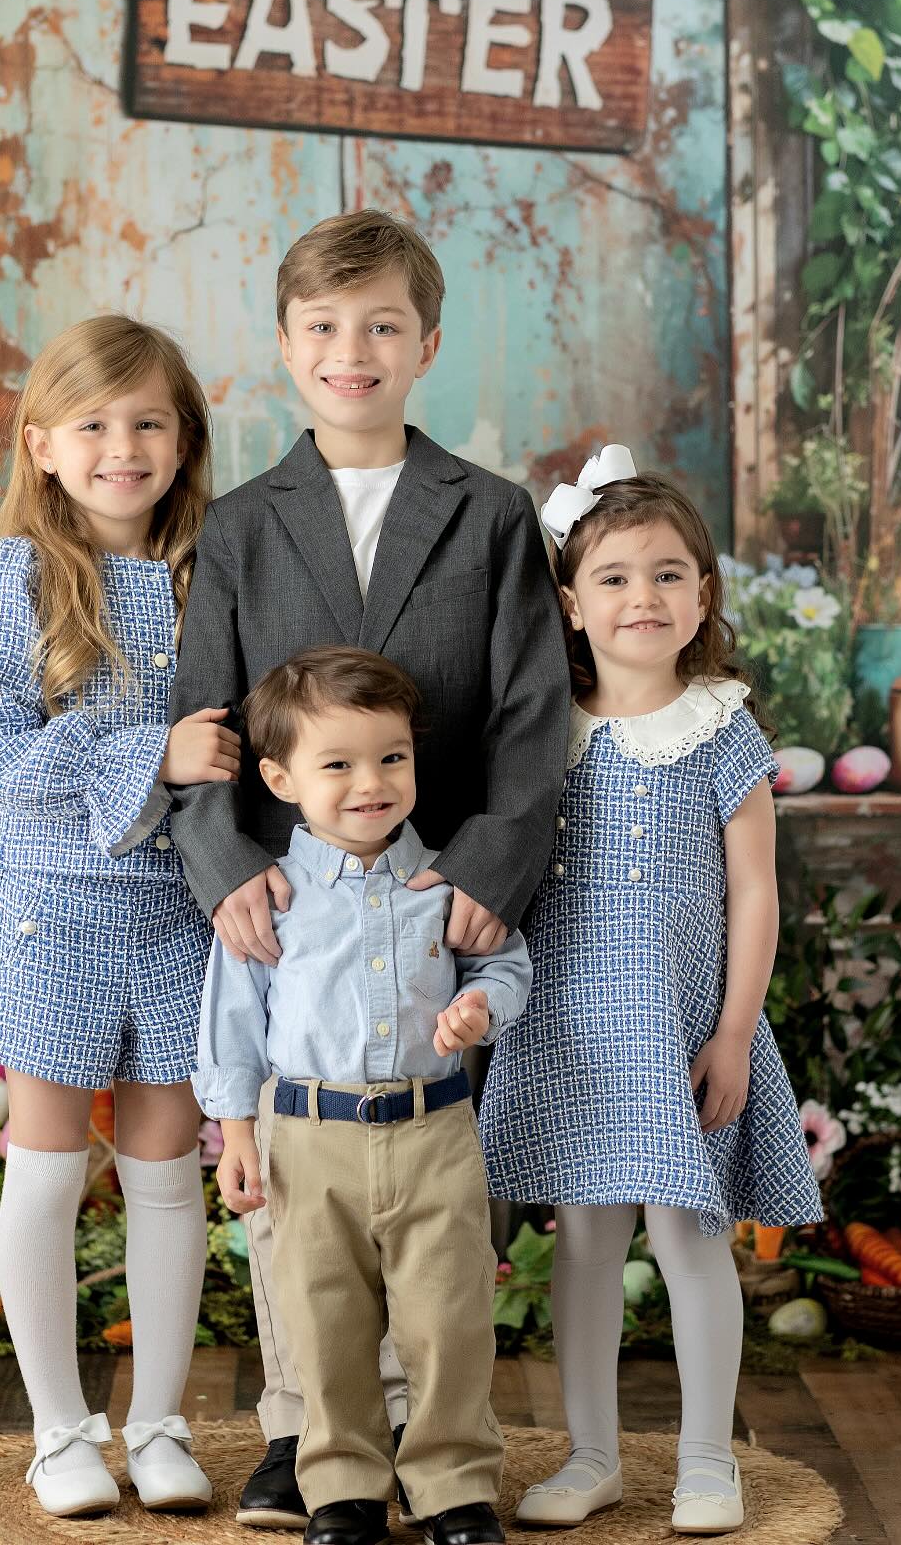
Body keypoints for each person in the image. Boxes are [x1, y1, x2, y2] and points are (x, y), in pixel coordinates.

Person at [168, 207, 569, 1528]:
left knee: (432, 1200)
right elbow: (208, 716)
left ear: (427, 343)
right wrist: (228, 862)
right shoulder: (238, 528)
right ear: (287, 347)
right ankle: (302, 1433)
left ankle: (430, 1442)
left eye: (383, 326)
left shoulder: (492, 515)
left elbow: (527, 715)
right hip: (293, 900)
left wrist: (489, 877)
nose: (355, 350)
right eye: (327, 327)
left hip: (439, 900)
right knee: (301, 1205)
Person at [478, 449, 823, 1538]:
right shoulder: (542, 736)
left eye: (670, 574)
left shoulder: (722, 727)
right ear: (571, 604)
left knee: (686, 1234)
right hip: (567, 1026)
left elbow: (755, 892)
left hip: (682, 1028)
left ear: (703, 596)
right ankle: (590, 1456)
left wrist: (731, 1031)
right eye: (616, 577)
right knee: (582, 1241)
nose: (645, 597)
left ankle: (708, 1461)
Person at [0, 316, 239, 1519]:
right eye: (94, 425)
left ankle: (161, 1423)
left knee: (168, 1175)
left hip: (180, 915)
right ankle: (61, 1433)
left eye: (147, 423)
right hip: (50, 916)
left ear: (183, 440)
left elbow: (233, 739)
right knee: (48, 1173)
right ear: (43, 445)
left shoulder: (211, 575)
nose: (122, 446)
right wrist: (149, 755)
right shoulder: (14, 575)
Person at [197, 645, 532, 1545]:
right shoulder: (268, 899)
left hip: (432, 1132)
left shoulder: (446, 884)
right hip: (309, 1137)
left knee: (449, 1320)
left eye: (391, 758)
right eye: (336, 764)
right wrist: (236, 1138)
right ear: (280, 777)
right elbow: (229, 1026)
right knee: (324, 1319)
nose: (369, 783)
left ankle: (452, 1487)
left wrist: (478, 1006)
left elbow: (504, 963)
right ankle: (341, 1485)